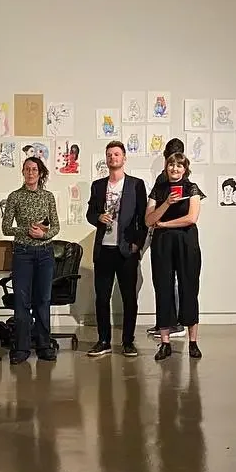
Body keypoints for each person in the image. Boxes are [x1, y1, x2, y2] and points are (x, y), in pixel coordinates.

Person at [86, 140, 148, 357]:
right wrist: (98, 218)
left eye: (117, 154)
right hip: (104, 249)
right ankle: (103, 340)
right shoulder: (98, 185)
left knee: (129, 297)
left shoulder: (136, 184)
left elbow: (143, 219)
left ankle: (128, 341)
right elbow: (90, 213)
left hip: (126, 250)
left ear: (124, 158)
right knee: (101, 297)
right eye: (110, 155)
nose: (113, 158)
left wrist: (137, 244)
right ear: (106, 159)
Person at [1, 156, 60, 365]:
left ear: (40, 173)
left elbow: (55, 227)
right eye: (27, 169)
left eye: (34, 169)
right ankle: (22, 347)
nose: (30, 173)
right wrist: (26, 230)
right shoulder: (15, 197)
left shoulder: (48, 197)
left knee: (43, 301)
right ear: (23, 172)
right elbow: (6, 228)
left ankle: (44, 345)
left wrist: (42, 235)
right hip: (23, 253)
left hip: (45, 253)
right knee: (22, 302)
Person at [146, 152, 204, 361]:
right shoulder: (159, 190)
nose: (175, 169)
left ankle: (193, 342)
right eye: (171, 165)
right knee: (163, 288)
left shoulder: (192, 188)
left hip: (186, 242)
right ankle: (165, 343)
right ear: (166, 167)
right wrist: (167, 204)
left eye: (179, 166)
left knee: (189, 287)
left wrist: (163, 224)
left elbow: (191, 218)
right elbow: (148, 219)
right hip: (162, 244)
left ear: (185, 169)